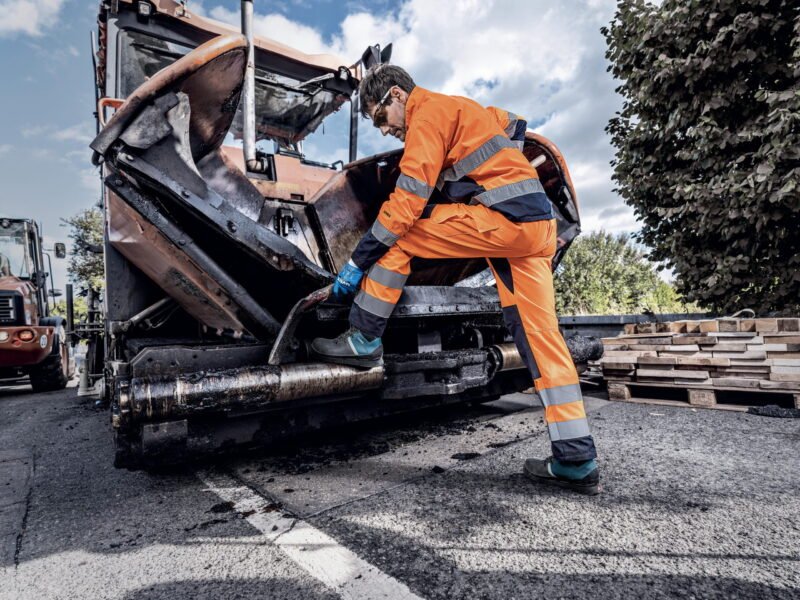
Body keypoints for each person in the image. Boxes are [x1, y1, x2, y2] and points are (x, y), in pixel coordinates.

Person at [311, 64, 599, 495]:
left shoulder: (427, 115)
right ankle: (576, 459)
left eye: (379, 117)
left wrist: (358, 260)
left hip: (506, 224)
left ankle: (364, 338)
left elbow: (406, 203)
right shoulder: (464, 109)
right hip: (538, 228)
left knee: (399, 237)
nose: (384, 130)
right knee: (543, 341)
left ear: (396, 95)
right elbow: (514, 124)